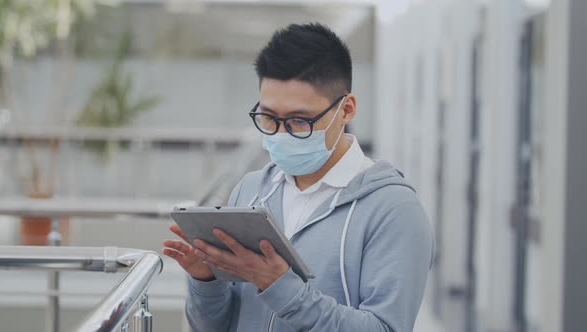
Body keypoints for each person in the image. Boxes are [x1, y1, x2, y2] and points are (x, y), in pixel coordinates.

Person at [163, 23, 433, 332]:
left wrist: (278, 285)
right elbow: (213, 327)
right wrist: (206, 280)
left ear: (346, 109)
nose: (280, 132)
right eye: (268, 117)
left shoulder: (393, 211)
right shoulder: (251, 190)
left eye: (299, 120)